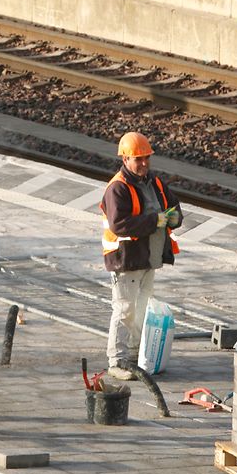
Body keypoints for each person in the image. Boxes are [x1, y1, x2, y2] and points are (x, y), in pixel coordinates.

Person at [100, 132, 183, 381]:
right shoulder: (118, 188)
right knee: (125, 310)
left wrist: (175, 217)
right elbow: (119, 225)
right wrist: (153, 220)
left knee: (142, 309)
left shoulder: (154, 182)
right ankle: (116, 361)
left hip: (149, 258)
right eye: (138, 159)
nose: (144, 163)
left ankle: (135, 356)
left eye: (146, 158)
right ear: (125, 159)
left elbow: (173, 204)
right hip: (126, 259)